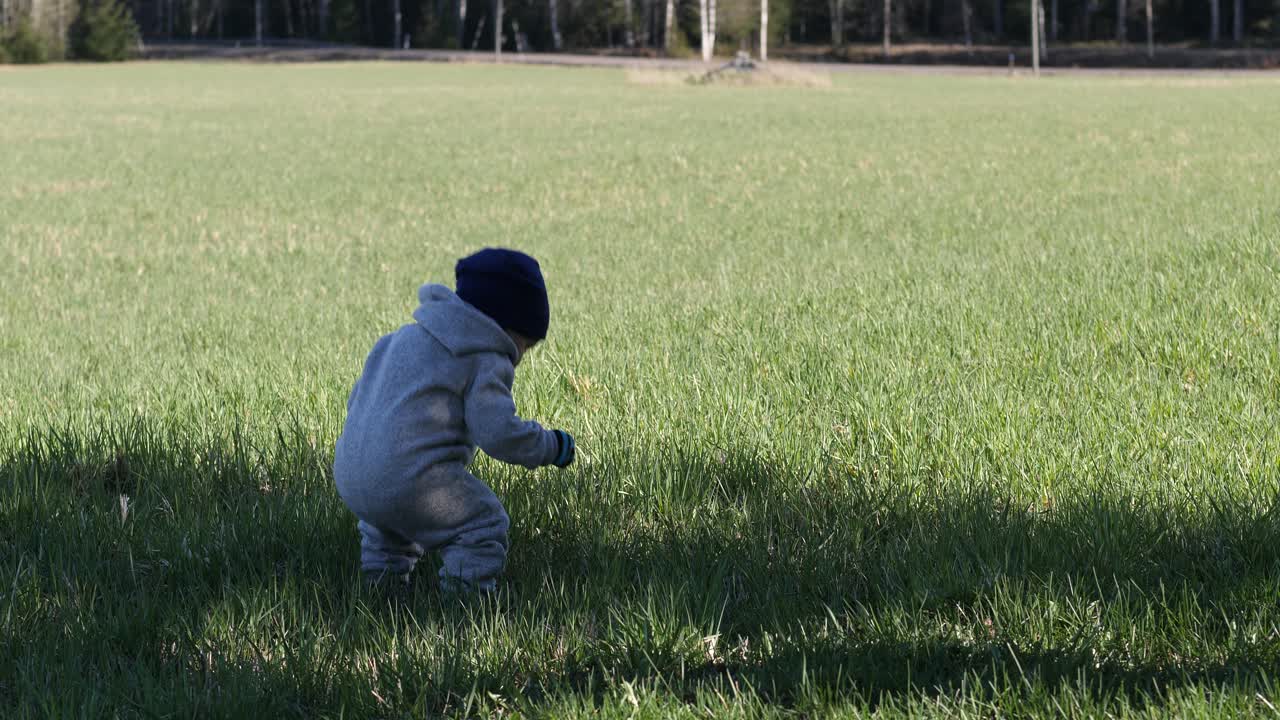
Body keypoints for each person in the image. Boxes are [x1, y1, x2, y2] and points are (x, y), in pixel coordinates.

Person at [334, 248, 575, 593]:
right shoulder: (485, 355)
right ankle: (465, 606)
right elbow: (497, 433)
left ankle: (382, 589)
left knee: (388, 524)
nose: (519, 358)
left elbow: (357, 398)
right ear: (507, 327)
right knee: (483, 524)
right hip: (408, 478)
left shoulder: (399, 338)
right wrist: (550, 446)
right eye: (525, 346)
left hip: (351, 471)